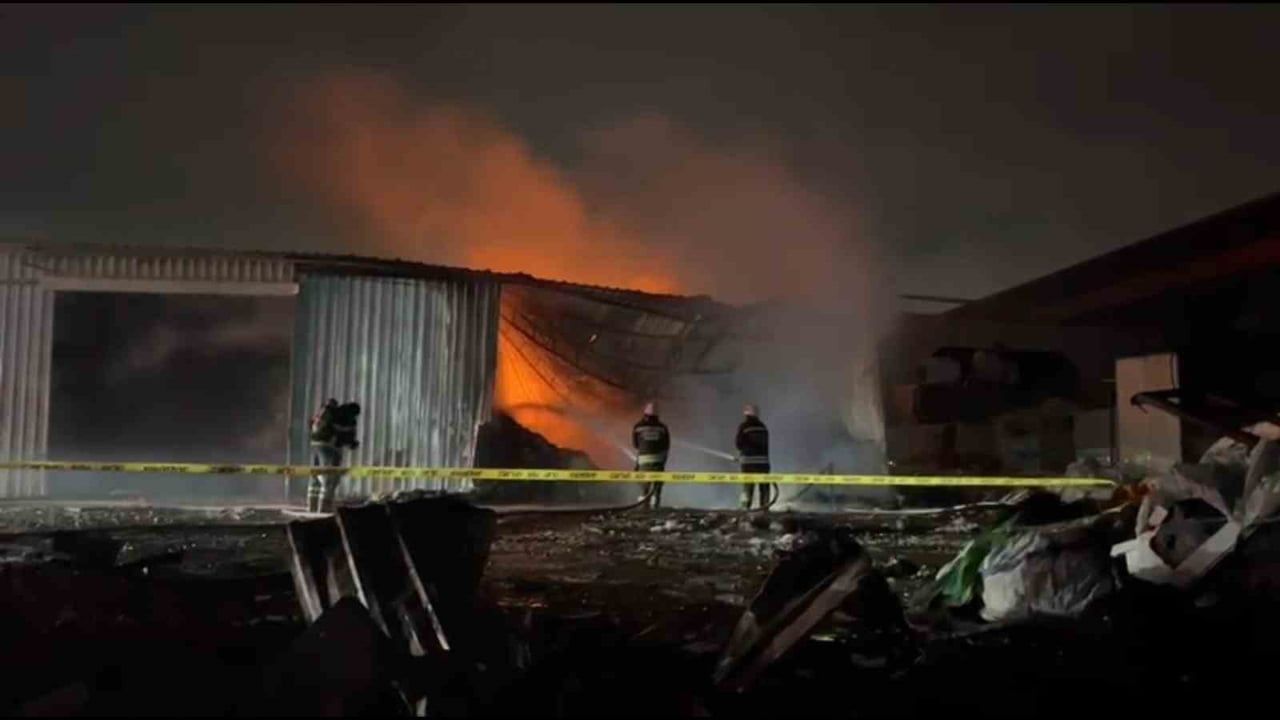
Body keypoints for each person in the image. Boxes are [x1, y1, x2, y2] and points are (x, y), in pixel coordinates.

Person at [308, 398, 360, 513]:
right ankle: (324, 508)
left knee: (314, 475)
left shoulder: (325, 413)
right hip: (329, 447)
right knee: (330, 478)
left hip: (314, 444)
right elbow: (346, 435)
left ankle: (312, 506)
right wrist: (352, 443)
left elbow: (310, 424)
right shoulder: (346, 417)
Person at [632, 401, 670, 509]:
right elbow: (666, 445)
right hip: (659, 459)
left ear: (645, 414)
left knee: (644, 483)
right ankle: (656, 500)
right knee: (657, 482)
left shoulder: (638, 427)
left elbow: (635, 445)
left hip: (643, 460)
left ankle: (644, 501)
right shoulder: (663, 427)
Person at [735, 404, 771, 510]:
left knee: (747, 487)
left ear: (746, 414)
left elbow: (738, 444)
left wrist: (742, 455)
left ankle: (745, 508)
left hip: (748, 463)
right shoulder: (763, 427)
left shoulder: (744, 426)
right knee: (764, 487)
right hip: (763, 463)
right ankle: (765, 508)